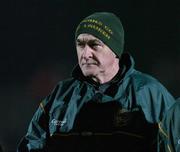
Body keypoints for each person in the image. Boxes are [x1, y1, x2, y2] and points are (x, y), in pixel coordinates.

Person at [17, 12, 176, 152]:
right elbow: (32, 144)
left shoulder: (150, 94)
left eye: (94, 45)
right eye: (80, 44)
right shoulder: (60, 96)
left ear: (115, 50)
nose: (85, 53)